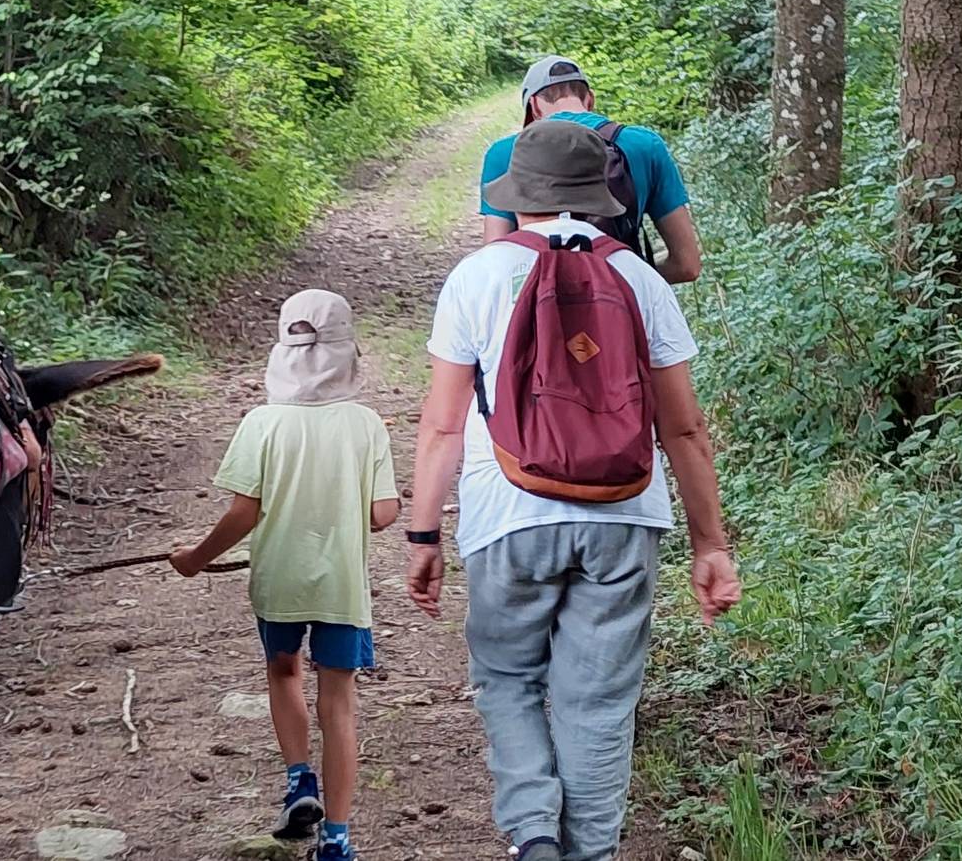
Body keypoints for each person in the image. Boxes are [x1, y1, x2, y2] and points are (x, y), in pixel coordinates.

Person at [408, 119, 740, 861]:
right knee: (598, 706)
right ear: (600, 198)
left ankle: (533, 837)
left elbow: (441, 426)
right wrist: (710, 546)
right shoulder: (639, 278)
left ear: (517, 196)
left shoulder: (478, 276)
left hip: (507, 517)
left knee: (506, 680)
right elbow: (684, 431)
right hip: (625, 516)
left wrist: (424, 536)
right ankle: (589, 852)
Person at [170, 289, 400, 861]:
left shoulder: (262, 422)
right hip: (341, 585)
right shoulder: (365, 424)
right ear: (349, 350)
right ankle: (338, 837)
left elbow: (243, 512)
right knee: (339, 702)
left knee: (283, 671)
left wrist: (196, 558)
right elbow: (382, 514)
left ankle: (300, 780)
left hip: (278, 581)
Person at [481, 55, 703, 285]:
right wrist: (625, 280)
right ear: (589, 100)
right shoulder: (646, 145)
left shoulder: (505, 153)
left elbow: (494, 271)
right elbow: (687, 266)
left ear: (534, 105)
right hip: (620, 312)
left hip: (536, 313)